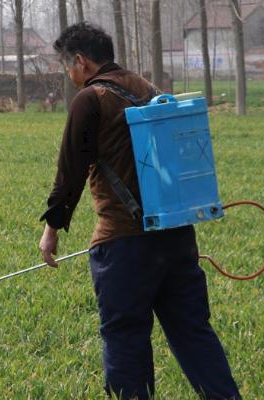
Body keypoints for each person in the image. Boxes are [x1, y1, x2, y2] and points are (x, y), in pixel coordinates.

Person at [38, 22, 242, 400]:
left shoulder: (91, 97)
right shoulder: (147, 88)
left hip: (123, 244)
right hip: (176, 236)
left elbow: (70, 171)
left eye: (68, 66)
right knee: (193, 332)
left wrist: (52, 228)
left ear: (80, 61)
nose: (70, 76)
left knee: (126, 337)